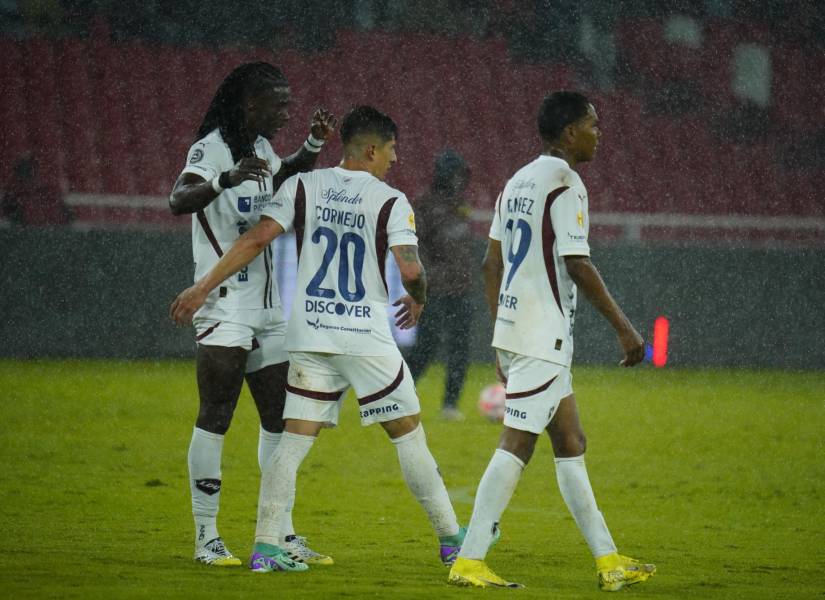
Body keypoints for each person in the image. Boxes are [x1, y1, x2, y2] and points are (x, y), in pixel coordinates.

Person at [170, 105, 469, 573]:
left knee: (292, 442)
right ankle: (453, 540)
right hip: (365, 339)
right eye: (391, 150)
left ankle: (266, 548)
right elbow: (410, 269)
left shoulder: (302, 187)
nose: (394, 159)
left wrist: (201, 286)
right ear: (371, 149)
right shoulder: (391, 200)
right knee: (408, 434)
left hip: (310, 335)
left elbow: (253, 242)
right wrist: (420, 297)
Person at [448, 91, 656, 591]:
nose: (598, 133)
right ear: (568, 133)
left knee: (570, 441)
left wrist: (502, 335)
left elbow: (489, 264)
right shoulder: (566, 182)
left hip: (524, 332)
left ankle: (609, 561)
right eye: (592, 124)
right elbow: (577, 263)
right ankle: (470, 558)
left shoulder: (515, 182)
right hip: (544, 334)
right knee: (517, 443)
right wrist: (625, 328)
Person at [168, 62, 336, 568]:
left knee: (281, 420)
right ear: (248, 104)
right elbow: (178, 199)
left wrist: (308, 148)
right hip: (224, 306)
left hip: (268, 308)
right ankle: (207, 537)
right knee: (216, 416)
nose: (286, 111)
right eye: (278, 104)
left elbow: (276, 178)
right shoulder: (212, 150)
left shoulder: (261, 147)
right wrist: (224, 178)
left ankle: (279, 532)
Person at [405, 149, 475, 421]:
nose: (460, 181)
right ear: (445, 176)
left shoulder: (460, 206)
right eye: (456, 175)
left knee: (460, 348)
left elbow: (464, 247)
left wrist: (463, 275)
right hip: (432, 291)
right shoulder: (423, 205)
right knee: (426, 347)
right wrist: (429, 278)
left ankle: (450, 404)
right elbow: (416, 246)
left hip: (461, 290)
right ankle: (401, 394)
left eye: (462, 176)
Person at [1, 154, 72, 226]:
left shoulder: (48, 193)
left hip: (51, 233)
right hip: (28, 234)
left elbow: (68, 218)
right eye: (27, 173)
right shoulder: (12, 197)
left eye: (31, 173)